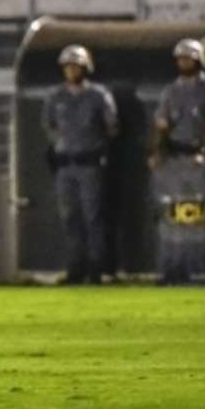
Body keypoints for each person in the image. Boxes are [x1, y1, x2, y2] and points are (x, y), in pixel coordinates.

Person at [42, 44, 118, 285]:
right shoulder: (55, 97)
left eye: (76, 66)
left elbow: (112, 127)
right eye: (68, 67)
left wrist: (96, 143)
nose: (72, 70)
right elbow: (49, 126)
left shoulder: (98, 95)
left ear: (86, 68)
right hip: (65, 165)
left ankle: (97, 267)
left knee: (92, 216)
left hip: (89, 163)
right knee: (69, 217)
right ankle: (76, 266)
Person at [150, 38, 205, 285]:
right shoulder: (171, 91)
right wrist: (158, 151)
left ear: (199, 60)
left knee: (203, 213)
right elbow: (162, 124)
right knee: (171, 213)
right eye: (180, 59)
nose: (184, 62)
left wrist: (204, 149)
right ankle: (172, 268)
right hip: (175, 158)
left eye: (188, 58)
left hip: (201, 158)